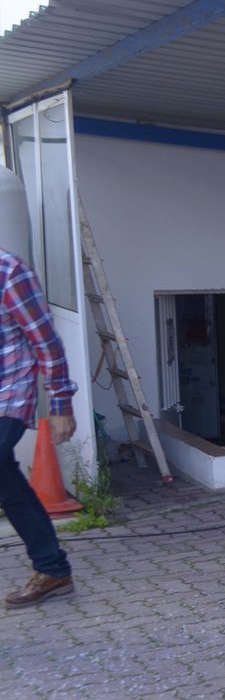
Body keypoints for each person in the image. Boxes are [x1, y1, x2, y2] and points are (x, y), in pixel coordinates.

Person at [1, 250, 79, 609]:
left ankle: (52, 569)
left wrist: (61, 404)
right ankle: (53, 570)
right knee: (7, 482)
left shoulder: (9, 272)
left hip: (8, 395)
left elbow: (46, 341)